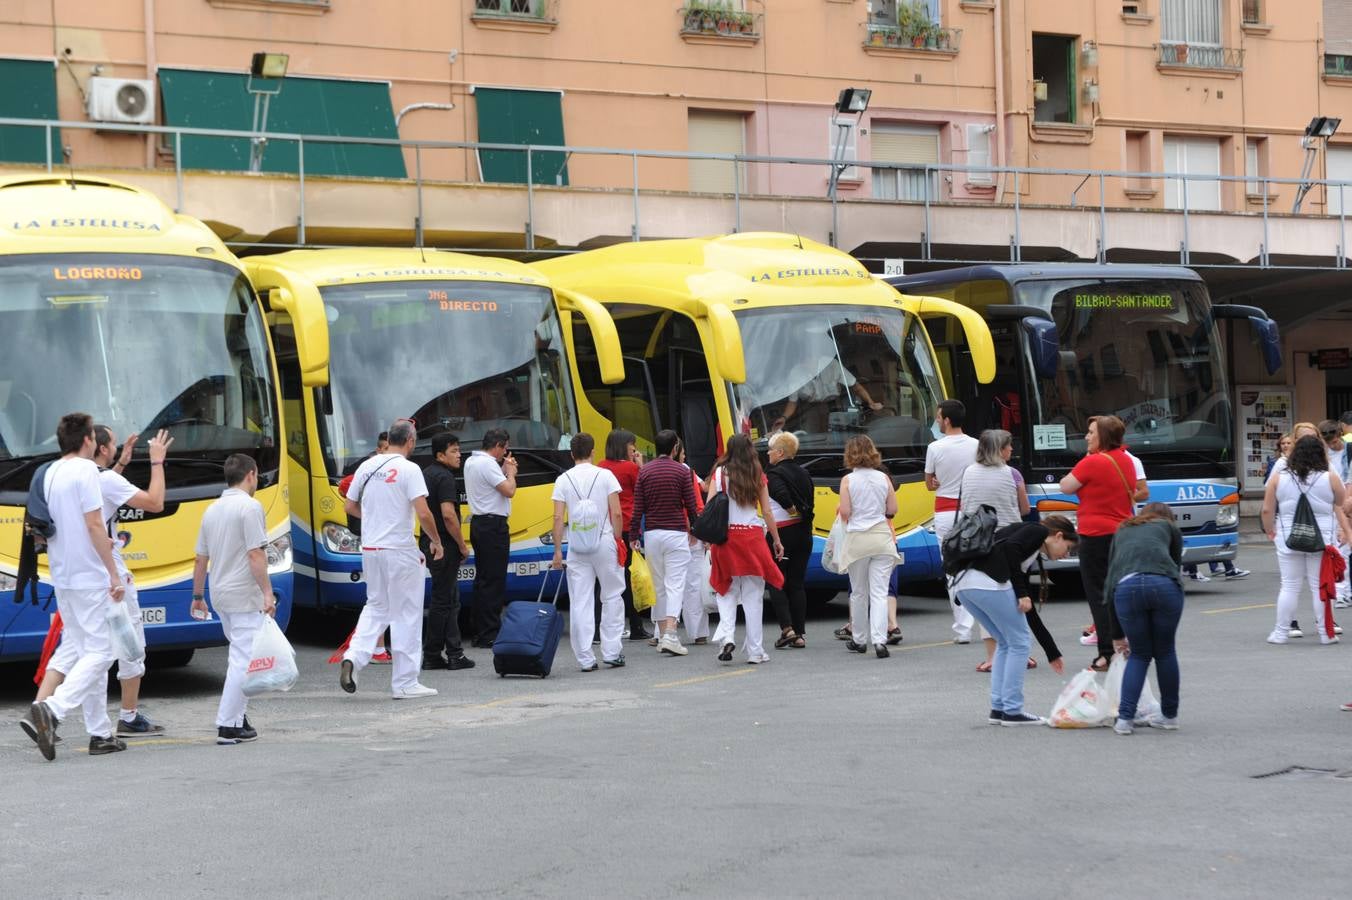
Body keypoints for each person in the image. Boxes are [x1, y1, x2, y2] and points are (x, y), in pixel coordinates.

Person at [36, 426, 173, 738]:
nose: (116, 445)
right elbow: (155, 502)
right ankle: (122, 714)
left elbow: (104, 491)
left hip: (68, 577)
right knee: (125, 646)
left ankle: (60, 717)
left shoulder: (64, 474)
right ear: (98, 447)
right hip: (105, 578)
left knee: (73, 648)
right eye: (112, 442)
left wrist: (122, 463)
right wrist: (156, 462)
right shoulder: (104, 479)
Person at [20, 413, 131, 760]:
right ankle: (53, 709)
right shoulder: (86, 471)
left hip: (63, 575)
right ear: (88, 441)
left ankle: (99, 733)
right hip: (89, 576)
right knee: (103, 652)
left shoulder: (50, 472)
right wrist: (113, 573)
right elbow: (96, 525)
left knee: (87, 652)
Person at [338, 420, 444, 699]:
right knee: (407, 613)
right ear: (410, 441)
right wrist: (435, 541)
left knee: (376, 606)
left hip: (371, 549)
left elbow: (349, 505)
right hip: (399, 549)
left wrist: (373, 518)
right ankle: (405, 683)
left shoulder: (367, 466)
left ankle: (355, 655)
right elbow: (423, 513)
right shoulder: (410, 470)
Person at [948, 515, 1078, 726]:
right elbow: (1010, 549)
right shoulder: (1037, 532)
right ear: (1059, 536)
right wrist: (1021, 592)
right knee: (1018, 643)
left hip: (964, 585)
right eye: (1068, 547)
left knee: (1006, 642)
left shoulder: (1027, 552)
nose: (1066, 553)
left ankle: (999, 709)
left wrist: (1051, 651)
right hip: (987, 584)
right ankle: (1012, 710)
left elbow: (1030, 613)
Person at [190, 454, 279, 744]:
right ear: (251, 475)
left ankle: (238, 719)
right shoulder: (250, 507)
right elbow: (256, 554)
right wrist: (268, 592)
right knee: (242, 659)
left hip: (220, 594)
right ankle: (228, 725)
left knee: (240, 656)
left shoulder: (211, 510)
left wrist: (197, 595)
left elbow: (200, 559)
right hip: (244, 594)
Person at [1059, 415, 1136, 671]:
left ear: (1103, 436)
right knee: (1117, 592)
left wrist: (1084, 462)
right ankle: (1124, 645)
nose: (1087, 437)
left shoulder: (1092, 462)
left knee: (1099, 595)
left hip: (1095, 535)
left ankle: (1106, 653)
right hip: (1123, 533)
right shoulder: (1126, 459)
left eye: (1091, 432)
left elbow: (1065, 486)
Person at [959, 429, 1037, 674]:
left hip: (977, 543)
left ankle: (992, 655)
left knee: (988, 599)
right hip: (1009, 540)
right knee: (1015, 596)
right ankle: (1019, 650)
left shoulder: (969, 472)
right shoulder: (1011, 473)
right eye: (1008, 446)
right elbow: (1024, 508)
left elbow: (964, 507)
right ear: (998, 449)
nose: (1011, 450)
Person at [1261, 434, 1352, 645]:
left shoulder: (1279, 477)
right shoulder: (1329, 476)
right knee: (1318, 585)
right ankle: (1325, 633)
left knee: (1289, 586)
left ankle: (1281, 632)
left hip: (1287, 536)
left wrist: (1270, 530)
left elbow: (1267, 509)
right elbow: (1340, 501)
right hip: (1320, 537)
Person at [1105, 502, 1186, 735]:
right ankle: (1169, 716)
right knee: (1165, 651)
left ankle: (1125, 720)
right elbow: (1174, 566)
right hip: (1165, 586)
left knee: (1139, 654)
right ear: (1168, 517)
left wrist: (1116, 635)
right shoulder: (1170, 528)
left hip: (1126, 587)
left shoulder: (1122, 529)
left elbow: (1111, 579)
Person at [550, 432, 626, 671]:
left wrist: (557, 551)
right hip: (604, 540)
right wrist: (618, 538)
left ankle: (585, 658)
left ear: (572, 454)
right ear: (593, 452)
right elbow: (616, 513)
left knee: (580, 600)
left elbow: (558, 517)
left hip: (577, 545)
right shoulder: (606, 476)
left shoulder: (563, 479)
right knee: (612, 594)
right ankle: (612, 651)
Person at [707, 435, 785, 664]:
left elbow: (710, 505)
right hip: (751, 538)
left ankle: (727, 636)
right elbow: (768, 512)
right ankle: (755, 651)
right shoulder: (757, 473)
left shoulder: (719, 473)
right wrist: (777, 540)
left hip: (724, 538)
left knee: (726, 590)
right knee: (753, 596)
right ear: (750, 450)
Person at [629, 429, 699, 657]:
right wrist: (696, 529)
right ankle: (670, 633)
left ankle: (661, 635)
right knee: (675, 584)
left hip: (652, 535)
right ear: (675, 449)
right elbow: (690, 503)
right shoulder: (681, 471)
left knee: (658, 586)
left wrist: (633, 535)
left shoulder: (645, 472)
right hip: (676, 533)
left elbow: (638, 506)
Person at [837, 435, 900, 658]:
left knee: (859, 592)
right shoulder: (884, 478)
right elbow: (892, 508)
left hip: (857, 539)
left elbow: (845, 512)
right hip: (882, 538)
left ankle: (860, 639)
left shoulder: (848, 481)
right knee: (880, 592)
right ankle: (880, 641)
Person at [925, 399, 979, 644]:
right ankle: (981, 622)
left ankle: (962, 629)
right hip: (971, 510)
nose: (937, 420)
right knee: (974, 566)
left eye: (938, 417)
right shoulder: (977, 445)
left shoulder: (935, 448)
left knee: (952, 569)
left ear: (946, 420)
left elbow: (929, 483)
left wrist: (936, 482)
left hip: (945, 511)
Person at [421, 432, 474, 671]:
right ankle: (433, 654)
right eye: (453, 451)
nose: (459, 454)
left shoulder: (427, 474)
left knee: (450, 599)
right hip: (444, 544)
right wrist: (462, 545)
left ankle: (453, 653)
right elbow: (448, 515)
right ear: (440, 454)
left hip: (429, 541)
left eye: (458, 449)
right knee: (444, 601)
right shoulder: (445, 478)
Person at [596, 429, 652, 641]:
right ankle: (636, 625)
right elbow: (645, 486)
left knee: (605, 577)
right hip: (628, 524)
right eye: (632, 446)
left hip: (606, 525)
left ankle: (601, 626)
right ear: (624, 446)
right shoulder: (630, 467)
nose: (635, 450)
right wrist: (640, 464)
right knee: (628, 577)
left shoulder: (601, 466)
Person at [465, 428, 517, 647]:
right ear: (497, 446)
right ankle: (489, 632)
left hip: (479, 523)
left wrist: (502, 470)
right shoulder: (487, 464)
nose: (506, 452)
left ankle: (479, 629)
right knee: (494, 580)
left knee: (483, 579)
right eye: (505, 448)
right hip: (492, 525)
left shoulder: (471, 462)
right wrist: (511, 472)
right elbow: (509, 490)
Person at [766, 431, 814, 648]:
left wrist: (790, 509)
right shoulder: (805, 473)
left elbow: (780, 495)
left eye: (770, 450)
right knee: (797, 583)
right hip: (804, 534)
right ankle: (800, 633)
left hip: (783, 533)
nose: (767, 454)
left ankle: (787, 629)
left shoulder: (774, 474)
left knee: (776, 580)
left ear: (780, 452)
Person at [1319, 419, 1352, 610]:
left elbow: (1348, 480)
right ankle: (1341, 592)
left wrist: (1347, 507)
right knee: (1339, 550)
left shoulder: (1349, 450)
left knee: (1344, 549)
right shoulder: (1323, 455)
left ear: (1340, 435)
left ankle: (1343, 592)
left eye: (1334, 441)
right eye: (1328, 442)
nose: (1332, 445)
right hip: (1329, 506)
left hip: (1346, 502)